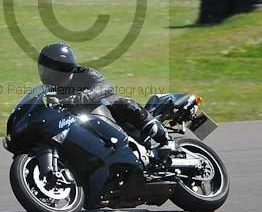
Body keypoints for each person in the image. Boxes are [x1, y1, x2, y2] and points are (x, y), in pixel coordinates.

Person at [37, 42, 171, 149]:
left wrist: (74, 99)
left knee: (124, 104)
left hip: (113, 117)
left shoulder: (85, 73)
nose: (45, 74)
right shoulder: (51, 90)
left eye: (48, 69)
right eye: (43, 69)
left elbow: (104, 87)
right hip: (84, 127)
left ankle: (166, 140)